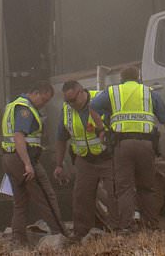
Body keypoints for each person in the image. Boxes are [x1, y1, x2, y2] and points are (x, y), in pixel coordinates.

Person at [89, 66, 165, 232]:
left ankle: (127, 227)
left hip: (122, 145)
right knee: (147, 188)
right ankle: (151, 226)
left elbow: (92, 106)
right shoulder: (150, 93)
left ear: (121, 79)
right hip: (146, 145)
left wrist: (101, 128)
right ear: (138, 77)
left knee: (124, 189)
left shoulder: (113, 92)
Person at [0, 81, 66, 246]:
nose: (43, 104)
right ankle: (61, 235)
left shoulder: (13, 105)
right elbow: (19, 136)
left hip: (9, 158)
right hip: (23, 159)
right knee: (46, 197)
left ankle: (18, 239)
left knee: (20, 202)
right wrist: (28, 164)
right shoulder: (25, 109)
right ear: (35, 92)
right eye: (43, 100)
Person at [54, 80, 114, 239]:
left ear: (82, 92)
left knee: (114, 193)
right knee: (81, 197)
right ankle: (82, 233)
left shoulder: (100, 100)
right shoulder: (66, 110)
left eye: (73, 100)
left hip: (107, 157)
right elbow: (61, 139)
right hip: (84, 160)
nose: (71, 104)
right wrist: (58, 164)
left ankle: (120, 228)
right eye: (67, 101)